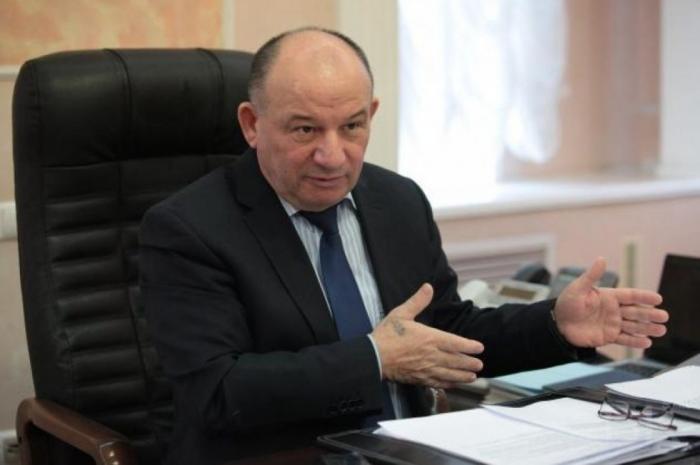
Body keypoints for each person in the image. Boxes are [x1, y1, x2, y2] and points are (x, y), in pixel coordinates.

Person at [139, 27, 668, 465]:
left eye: (352, 126)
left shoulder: (396, 200)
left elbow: (448, 332)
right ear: (252, 125)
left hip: (411, 451)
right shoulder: (188, 229)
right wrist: (374, 359)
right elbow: (218, 392)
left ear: (371, 113)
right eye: (305, 130)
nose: (332, 155)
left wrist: (554, 324)